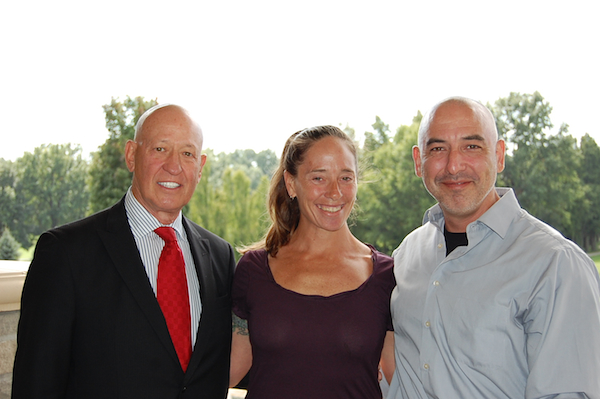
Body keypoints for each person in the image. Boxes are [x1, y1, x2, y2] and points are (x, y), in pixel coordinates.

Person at [12, 104, 236, 399]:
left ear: (200, 167)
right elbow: (36, 382)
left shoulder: (220, 256)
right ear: (131, 155)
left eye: (187, 153)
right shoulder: (66, 253)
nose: (174, 166)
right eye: (159, 149)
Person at [387, 96, 600, 398]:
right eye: (438, 149)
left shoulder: (555, 264)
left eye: (471, 146)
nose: (453, 165)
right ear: (418, 161)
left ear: (499, 155)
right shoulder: (406, 255)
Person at [229, 125, 396, 398]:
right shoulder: (253, 270)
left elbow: (404, 375)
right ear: (291, 183)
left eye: (346, 177)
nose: (334, 192)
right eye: (319, 178)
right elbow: (230, 368)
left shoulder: (386, 276)